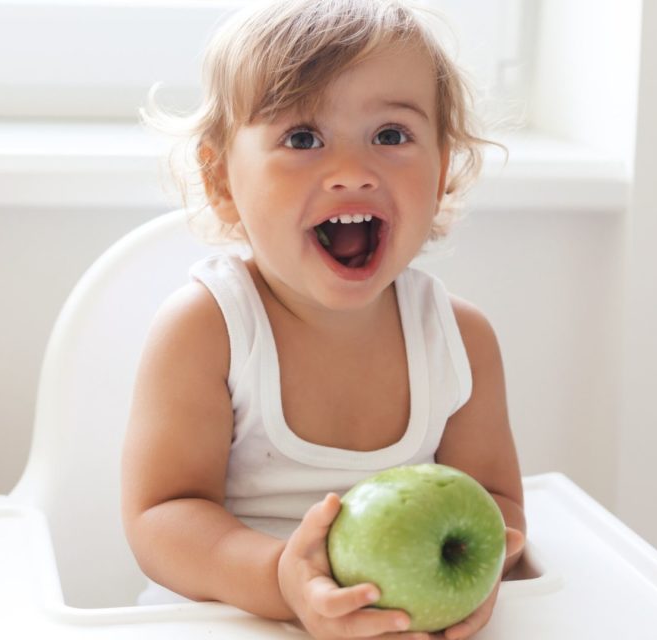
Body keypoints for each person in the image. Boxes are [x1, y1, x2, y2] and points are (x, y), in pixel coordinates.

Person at [121, 1, 524, 638]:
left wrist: (477, 576)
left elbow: (495, 508)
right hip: (231, 620)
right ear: (222, 177)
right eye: (303, 139)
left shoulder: (460, 340)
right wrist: (283, 578)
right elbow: (163, 517)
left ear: (442, 169)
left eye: (391, 136)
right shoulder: (210, 330)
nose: (353, 174)